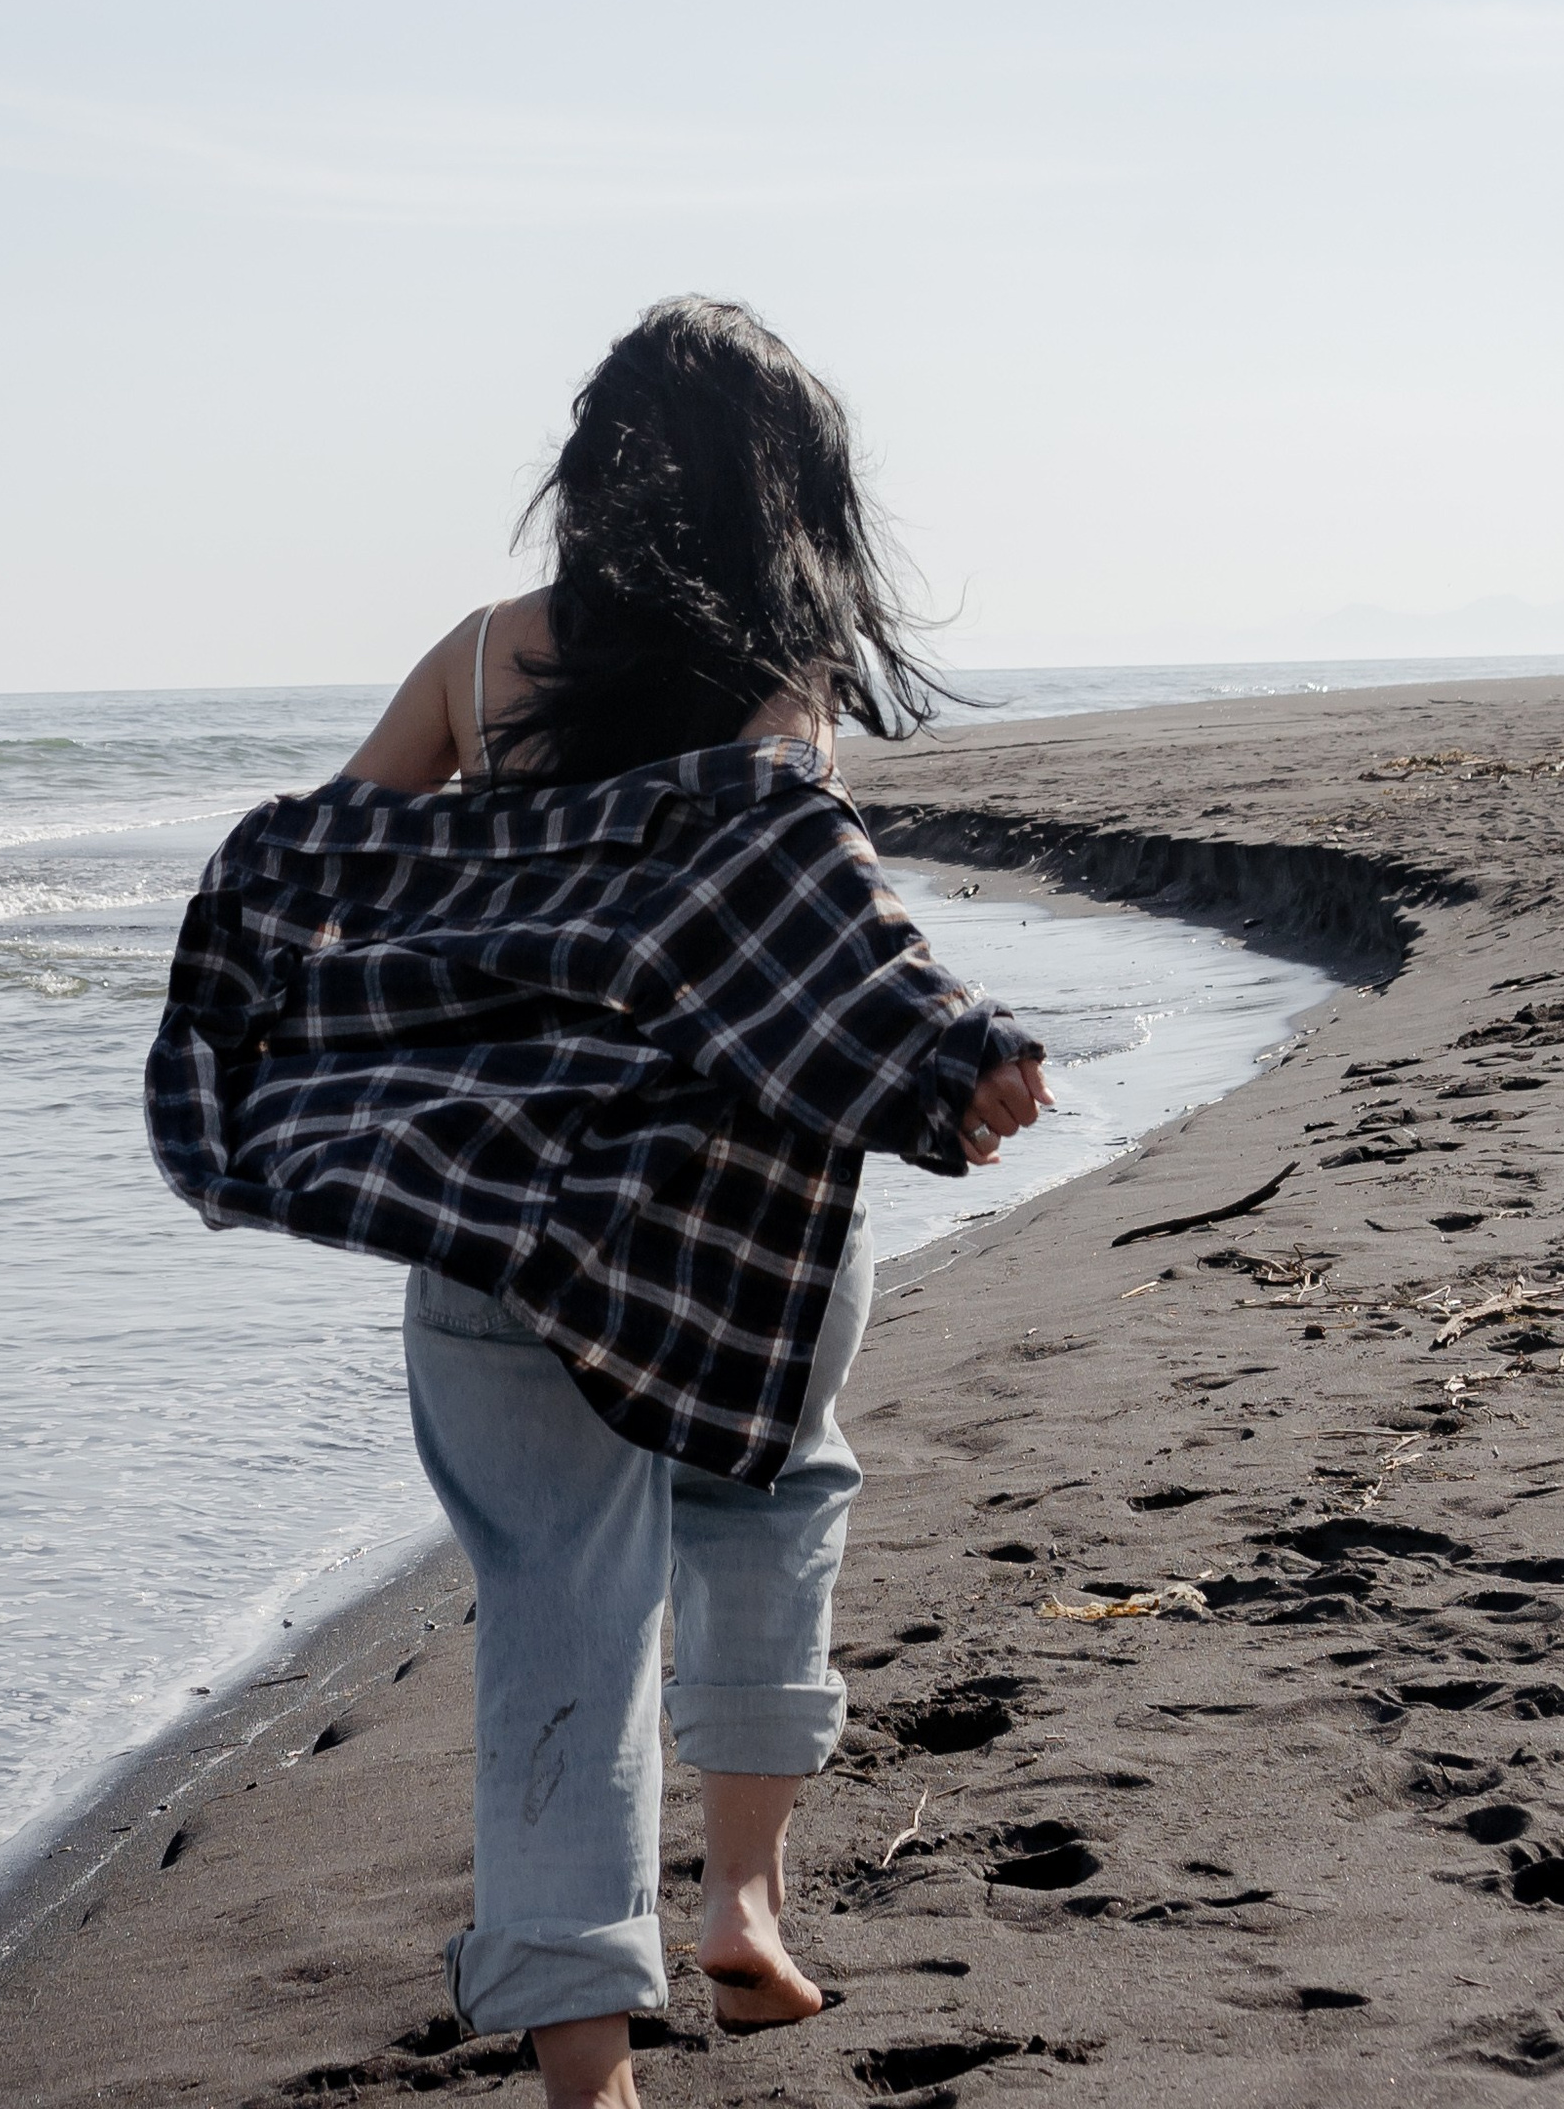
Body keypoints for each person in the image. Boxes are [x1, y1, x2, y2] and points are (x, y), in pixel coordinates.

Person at [148, 299, 1048, 2109]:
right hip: (742, 1217)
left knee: (558, 1599)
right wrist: (957, 1051)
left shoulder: (484, 658)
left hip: (501, 1214)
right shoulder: (776, 681)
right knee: (773, 1490)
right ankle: (744, 1902)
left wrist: (330, 1068)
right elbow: (808, 905)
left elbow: (331, 868)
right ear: (786, 489)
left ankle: (587, 2072)